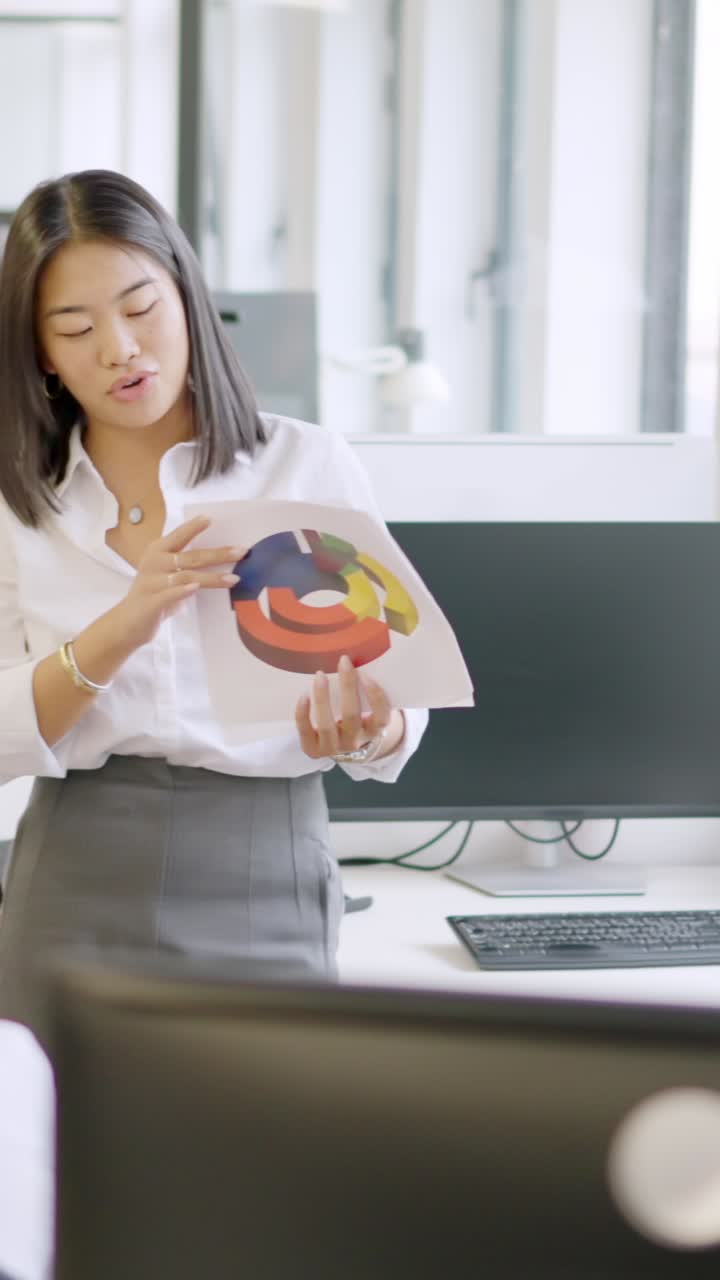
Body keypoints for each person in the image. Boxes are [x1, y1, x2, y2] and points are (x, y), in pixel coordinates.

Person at [0, 168, 428, 1052]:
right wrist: (123, 626)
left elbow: (403, 691)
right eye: (75, 328)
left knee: (267, 1163)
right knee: (65, 1174)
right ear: (42, 352)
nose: (119, 347)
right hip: (75, 869)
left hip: (264, 866)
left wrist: (368, 730)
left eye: (140, 307)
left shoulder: (304, 464)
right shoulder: (19, 502)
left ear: (188, 298)